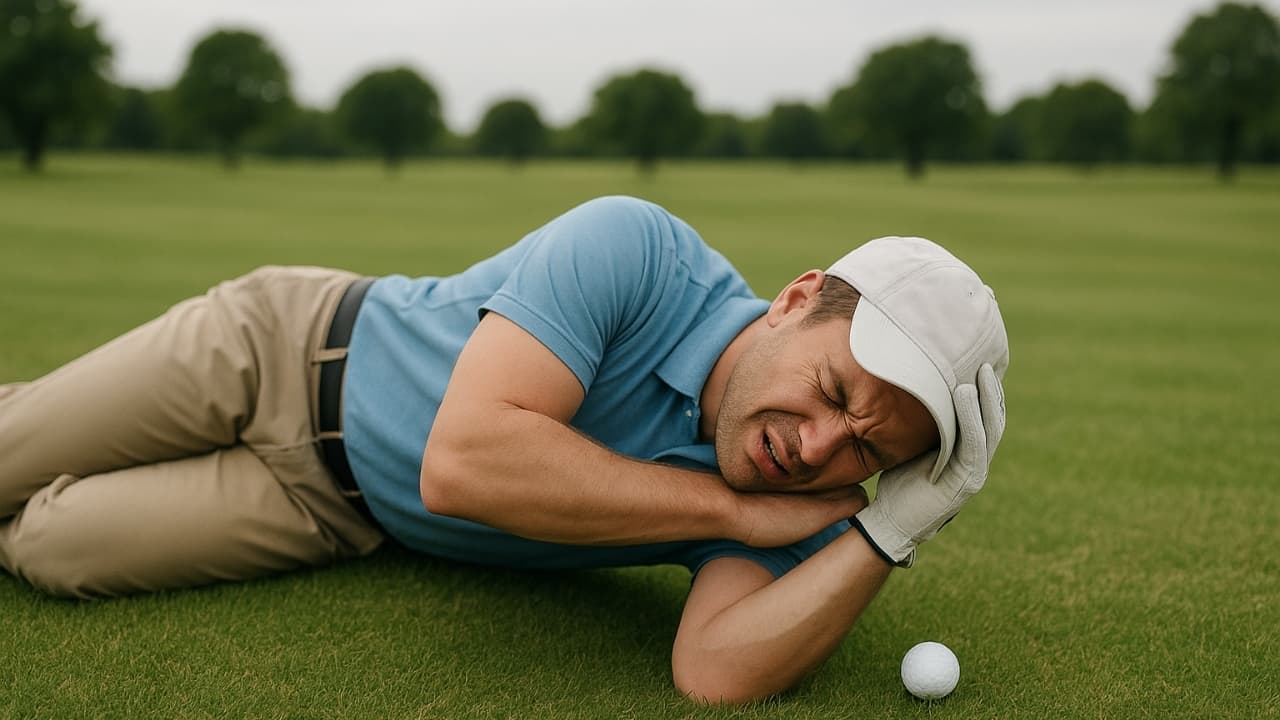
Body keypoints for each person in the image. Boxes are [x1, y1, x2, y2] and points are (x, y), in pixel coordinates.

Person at [0, 195, 1008, 703]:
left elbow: (713, 673)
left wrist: (889, 532)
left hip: (326, 510)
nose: (816, 448)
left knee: (52, 548)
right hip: (276, 350)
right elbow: (465, 463)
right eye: (832, 392)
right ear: (794, 301)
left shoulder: (807, 496)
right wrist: (731, 515)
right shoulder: (636, 249)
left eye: (866, 453)